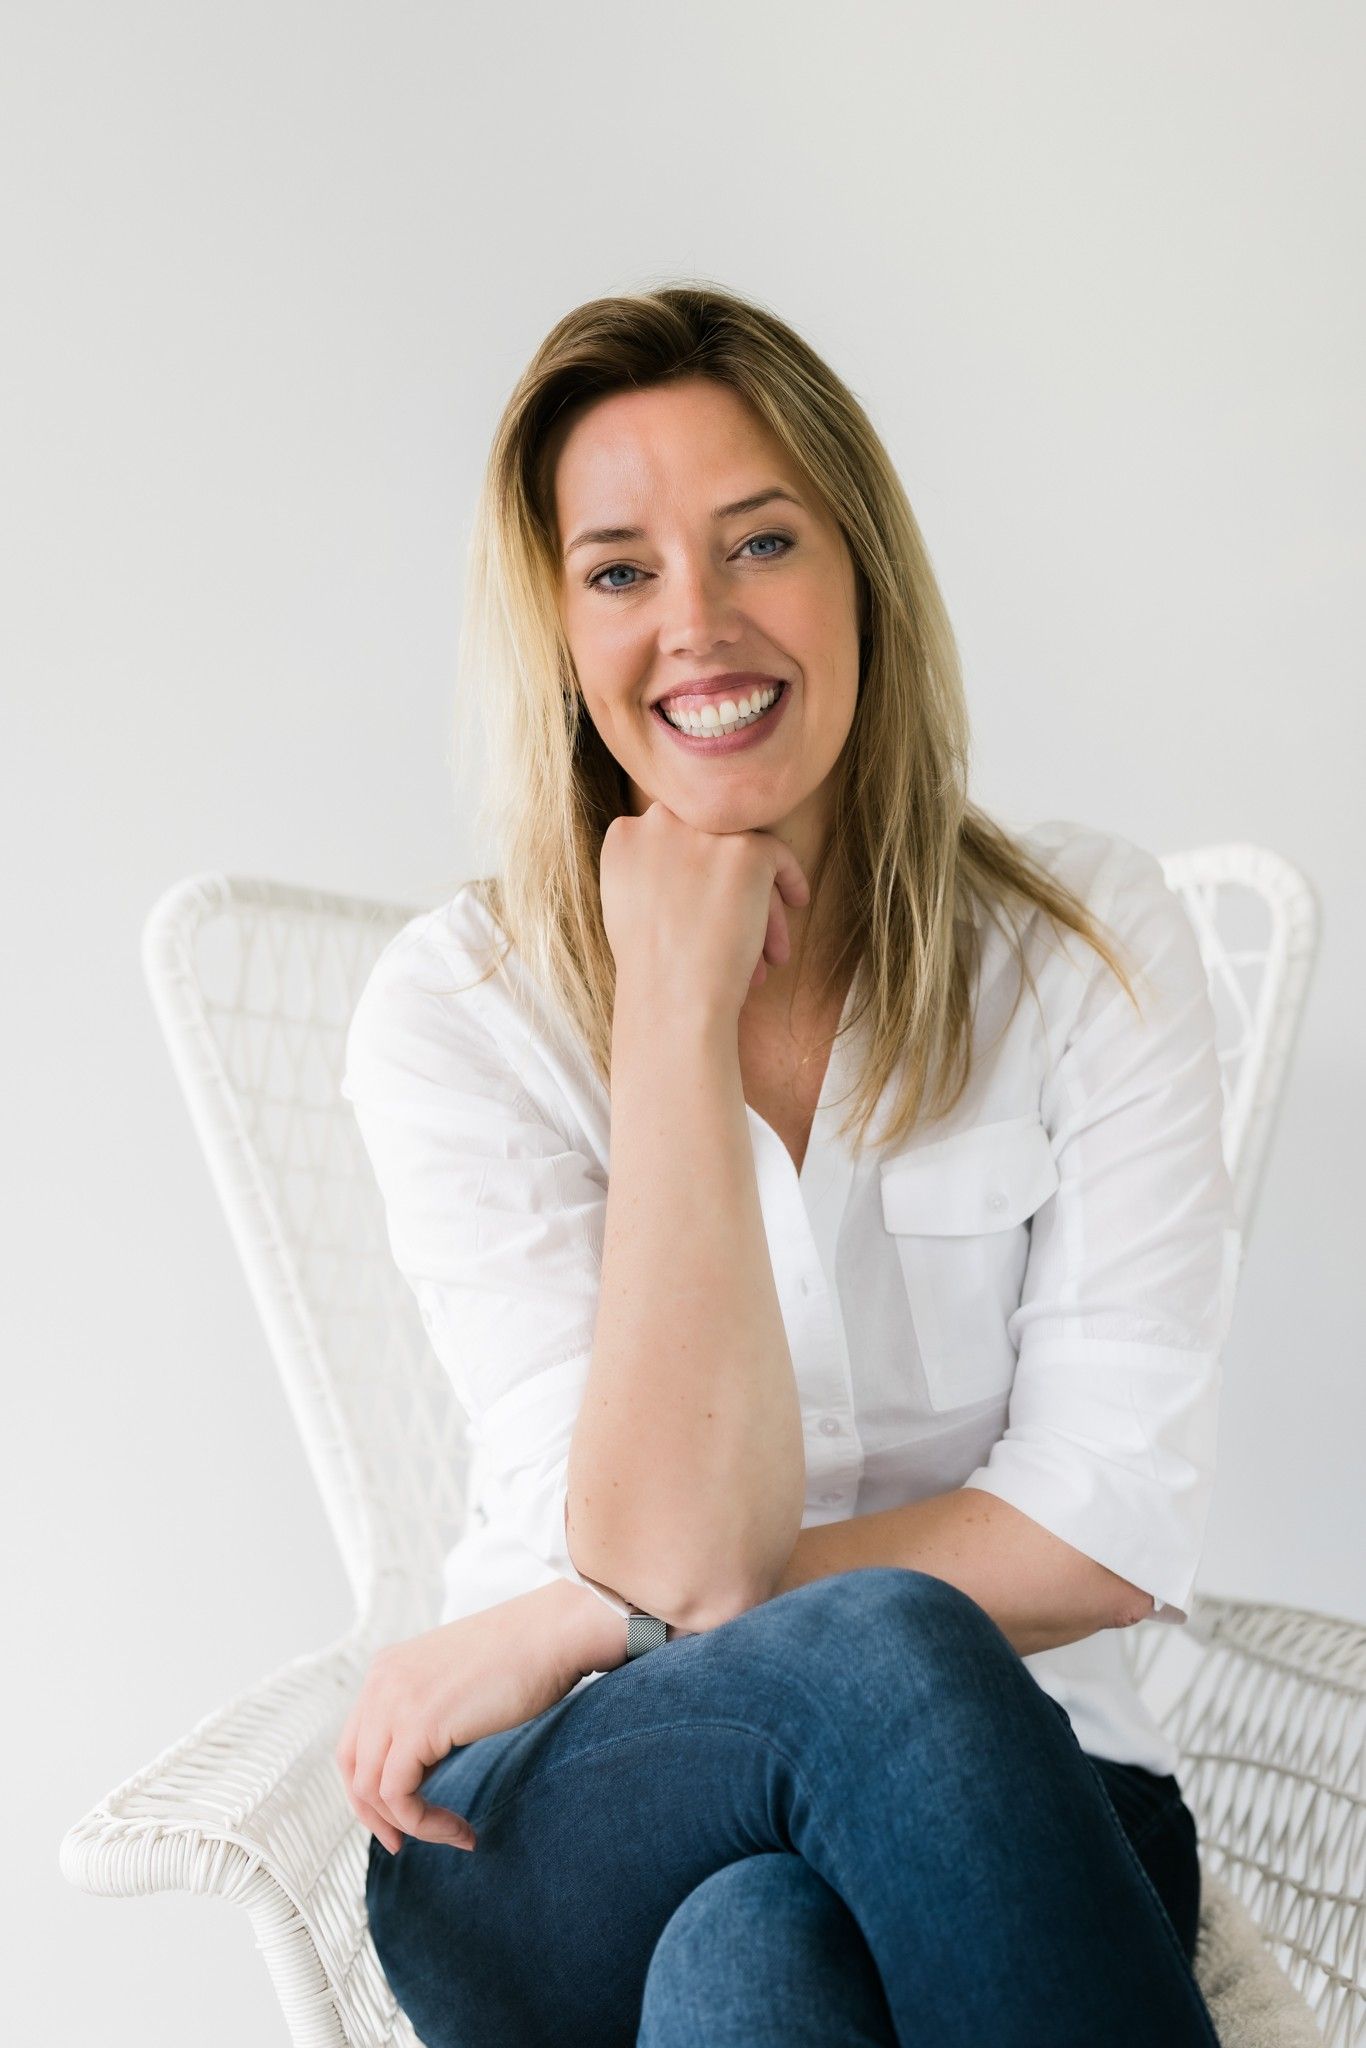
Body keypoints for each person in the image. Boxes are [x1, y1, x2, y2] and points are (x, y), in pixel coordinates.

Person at [335, 281, 1239, 2046]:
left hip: (1043, 1793)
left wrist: (593, 1615)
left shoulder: (1083, 945)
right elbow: (680, 1551)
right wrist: (673, 1013)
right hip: (560, 1811)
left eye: (759, 542)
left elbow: (1100, 1528)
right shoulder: (459, 1014)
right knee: (887, 1645)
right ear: (558, 634)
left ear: (863, 576)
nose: (697, 623)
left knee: (761, 1956)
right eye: (619, 572)